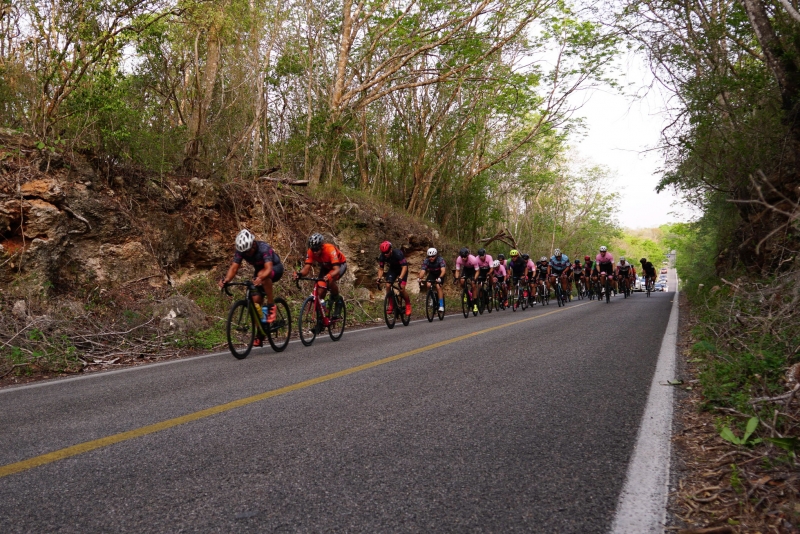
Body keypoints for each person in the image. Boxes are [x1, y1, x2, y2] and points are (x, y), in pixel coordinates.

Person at [219, 229, 284, 347]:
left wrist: (261, 278)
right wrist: (226, 280)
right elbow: (234, 268)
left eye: (248, 251)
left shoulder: (264, 248)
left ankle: (271, 304)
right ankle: (260, 333)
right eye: (245, 252)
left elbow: (268, 269)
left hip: (275, 268)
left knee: (263, 277)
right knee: (255, 302)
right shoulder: (241, 251)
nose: (247, 254)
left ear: (253, 244)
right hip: (259, 271)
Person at [293, 233, 347, 318]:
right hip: (326, 266)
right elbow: (307, 268)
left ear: (321, 246)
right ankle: (321, 320)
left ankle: (338, 300)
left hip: (339, 265)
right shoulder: (311, 251)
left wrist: (329, 276)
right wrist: (299, 274)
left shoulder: (330, 249)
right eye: (313, 249)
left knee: (330, 280)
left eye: (317, 249)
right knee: (320, 290)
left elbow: (336, 270)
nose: (315, 252)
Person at [377, 241, 411, 316]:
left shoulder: (398, 254)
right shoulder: (382, 256)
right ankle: (391, 305)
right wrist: (379, 278)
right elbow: (381, 269)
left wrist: (401, 277)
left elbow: (404, 266)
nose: (386, 254)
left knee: (402, 288)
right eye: (384, 253)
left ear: (391, 249)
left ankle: (408, 304)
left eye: (387, 252)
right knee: (388, 285)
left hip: (402, 269)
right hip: (393, 270)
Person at [419, 247, 447, 311]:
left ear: (436, 255)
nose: (431, 258)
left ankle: (441, 305)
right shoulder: (426, 260)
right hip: (432, 273)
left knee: (438, 286)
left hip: (440, 273)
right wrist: (420, 278)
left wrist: (440, 278)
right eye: (429, 257)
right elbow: (423, 271)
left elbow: (443, 270)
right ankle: (431, 298)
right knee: (428, 284)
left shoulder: (440, 259)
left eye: (433, 256)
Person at [455, 247, 480, 313]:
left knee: (473, 284)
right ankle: (466, 292)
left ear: (467, 255)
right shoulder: (459, 259)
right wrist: (456, 278)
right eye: (462, 257)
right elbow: (457, 270)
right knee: (462, 281)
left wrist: (474, 279)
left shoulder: (473, 259)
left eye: (464, 257)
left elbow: (477, 271)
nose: (463, 258)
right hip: (466, 269)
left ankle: (475, 304)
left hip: (473, 270)